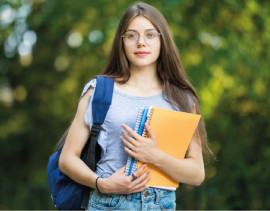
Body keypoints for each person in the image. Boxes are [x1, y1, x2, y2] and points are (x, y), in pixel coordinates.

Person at [59, 2, 212, 210]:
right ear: (121, 42)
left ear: (162, 40)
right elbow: (67, 159)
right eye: (132, 35)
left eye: (150, 35)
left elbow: (196, 174)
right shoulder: (99, 91)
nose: (141, 42)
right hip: (107, 202)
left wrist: (155, 156)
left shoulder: (183, 99)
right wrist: (102, 184)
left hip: (161, 204)